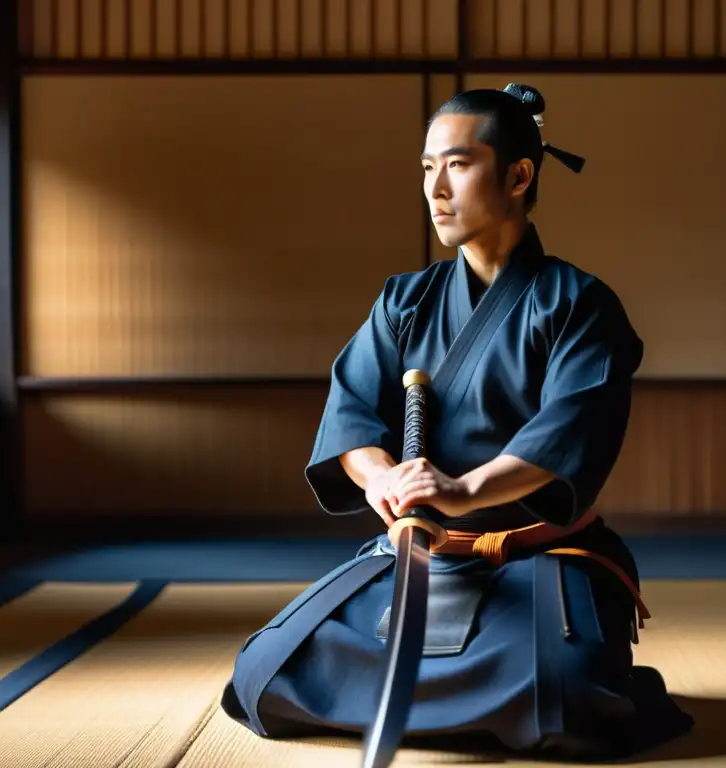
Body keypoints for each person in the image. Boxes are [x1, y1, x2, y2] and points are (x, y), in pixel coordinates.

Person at [220, 83, 694, 759]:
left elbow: (570, 427)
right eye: (425, 168)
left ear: (519, 175)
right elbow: (351, 412)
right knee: (263, 673)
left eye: (458, 165)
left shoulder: (580, 305)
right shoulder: (405, 301)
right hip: (420, 554)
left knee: (564, 697)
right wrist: (383, 478)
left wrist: (464, 492)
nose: (435, 188)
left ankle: (578, 667)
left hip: (534, 558)